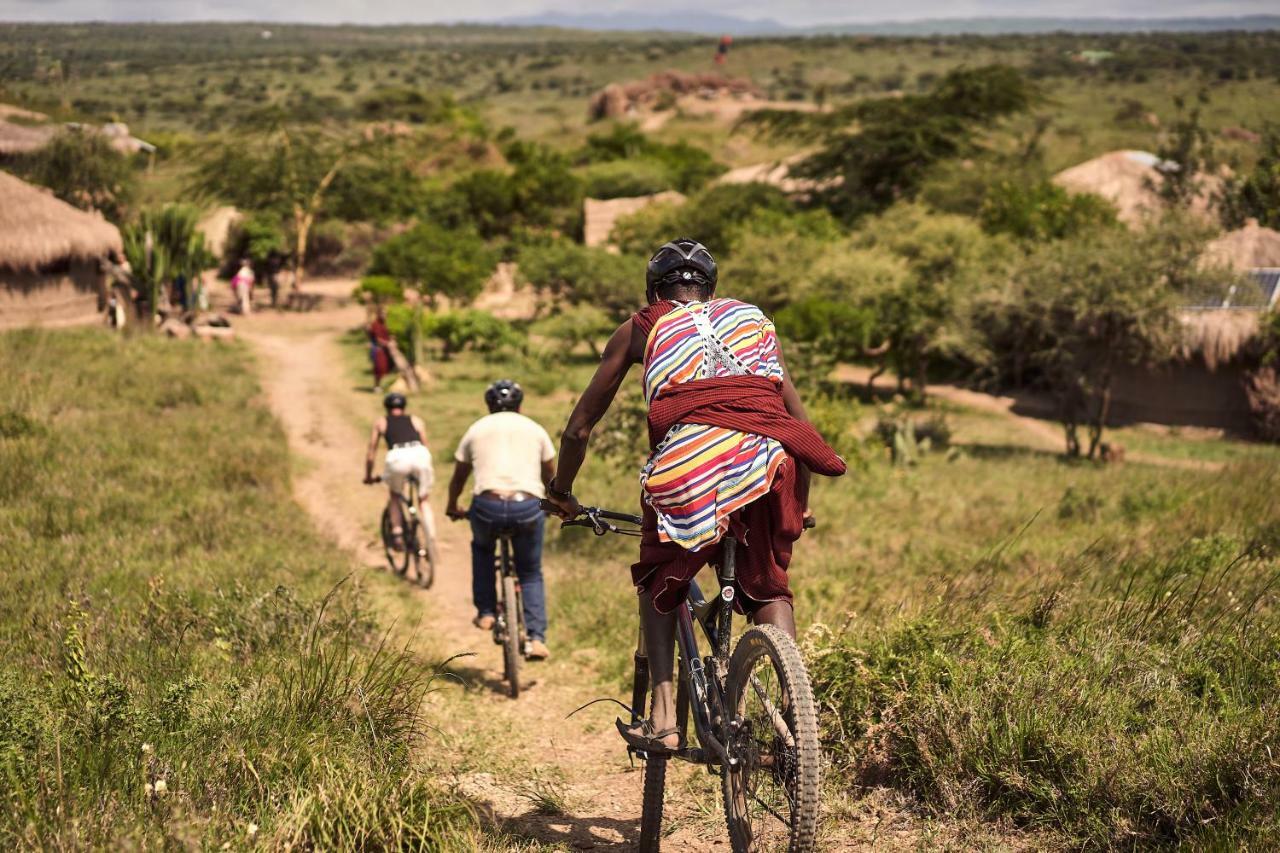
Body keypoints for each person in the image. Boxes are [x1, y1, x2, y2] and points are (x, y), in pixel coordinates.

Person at [543, 238, 846, 754]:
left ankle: (663, 720)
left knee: (660, 578)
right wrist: (801, 501)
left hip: (690, 466)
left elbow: (577, 430)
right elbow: (796, 421)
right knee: (769, 588)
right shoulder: (752, 318)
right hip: (774, 458)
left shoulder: (643, 324)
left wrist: (562, 492)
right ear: (712, 287)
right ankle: (797, 725)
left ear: (653, 288)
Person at [446, 380, 556, 661]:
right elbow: (550, 475)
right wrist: (555, 502)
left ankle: (485, 612)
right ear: (520, 405)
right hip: (527, 507)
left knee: (482, 550)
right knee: (530, 572)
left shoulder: (477, 428)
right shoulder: (535, 429)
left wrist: (452, 505)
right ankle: (536, 638)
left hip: (487, 506)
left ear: (489, 405)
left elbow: (459, 476)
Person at [363, 393, 434, 554]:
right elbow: (425, 443)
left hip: (397, 457)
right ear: (404, 407)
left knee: (395, 495)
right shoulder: (416, 420)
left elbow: (371, 451)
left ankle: (397, 533)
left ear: (386, 407)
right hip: (420, 454)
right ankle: (431, 537)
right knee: (423, 499)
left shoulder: (381, 422)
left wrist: (368, 475)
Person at [367, 308, 393, 392]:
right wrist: (387, 343)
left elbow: (387, 335)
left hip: (385, 349)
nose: (385, 316)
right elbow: (378, 339)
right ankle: (376, 386)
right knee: (379, 368)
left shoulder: (384, 324)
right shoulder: (375, 324)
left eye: (386, 314)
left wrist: (391, 339)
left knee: (385, 368)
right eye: (383, 314)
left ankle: (380, 385)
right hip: (378, 349)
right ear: (378, 315)